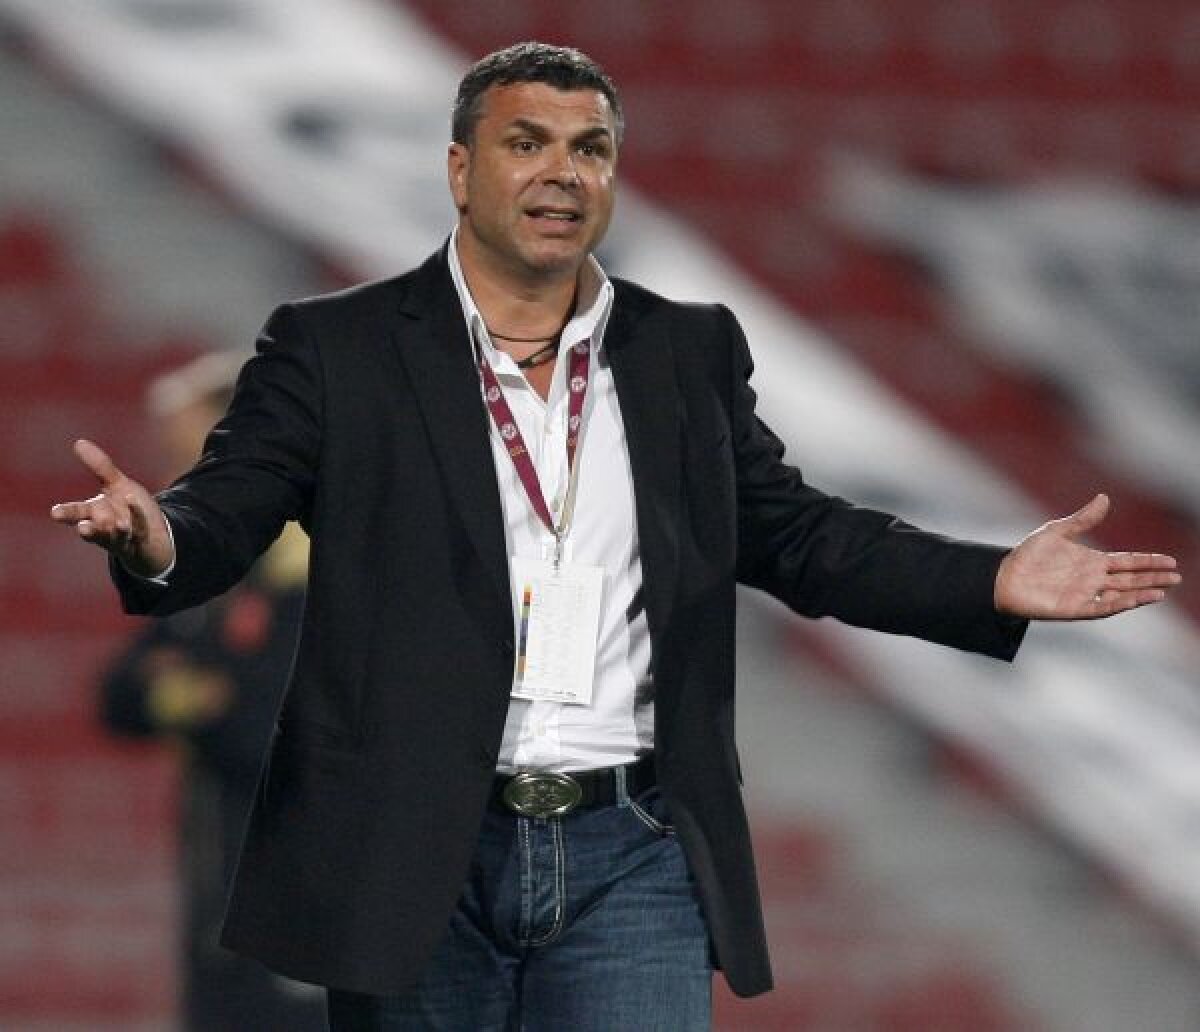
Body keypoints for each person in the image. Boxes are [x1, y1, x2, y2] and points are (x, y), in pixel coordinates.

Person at [50, 42, 1181, 1031]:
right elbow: (229, 511)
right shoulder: (338, 347)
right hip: (414, 838)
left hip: (629, 841)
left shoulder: (684, 351)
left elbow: (793, 533)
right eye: (526, 144)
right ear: (459, 170)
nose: (563, 172)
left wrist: (990, 579)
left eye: (590, 149)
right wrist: (157, 537)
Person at [97, 353, 325, 1031]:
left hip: (303, 886)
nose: (178, 482)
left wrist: (191, 692)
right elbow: (118, 696)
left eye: (192, 459)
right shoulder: (215, 573)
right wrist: (196, 698)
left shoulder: (319, 568)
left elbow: (272, 729)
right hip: (219, 882)